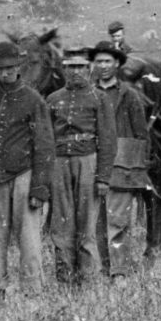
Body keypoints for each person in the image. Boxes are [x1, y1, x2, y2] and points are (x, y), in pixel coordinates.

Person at [0, 42, 54, 300]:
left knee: (29, 238)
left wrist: (39, 187)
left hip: (23, 176)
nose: (5, 73)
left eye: (10, 68)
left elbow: (44, 146)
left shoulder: (33, 100)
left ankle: (32, 292)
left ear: (19, 67)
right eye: (0, 68)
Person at [47, 48, 116, 285]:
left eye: (80, 67)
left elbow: (108, 139)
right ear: (64, 69)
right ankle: (65, 279)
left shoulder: (99, 98)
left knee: (87, 225)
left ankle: (89, 281)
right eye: (70, 67)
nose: (75, 72)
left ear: (88, 69)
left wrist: (104, 177)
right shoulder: (53, 99)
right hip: (59, 164)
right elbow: (46, 139)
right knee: (61, 225)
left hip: (89, 162)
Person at [90, 41, 150, 278]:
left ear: (116, 64)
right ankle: (104, 269)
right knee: (96, 223)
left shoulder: (130, 96)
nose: (103, 66)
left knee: (117, 222)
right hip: (93, 165)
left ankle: (120, 272)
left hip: (122, 166)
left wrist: (136, 169)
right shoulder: (88, 94)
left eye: (107, 61)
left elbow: (141, 134)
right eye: (99, 61)